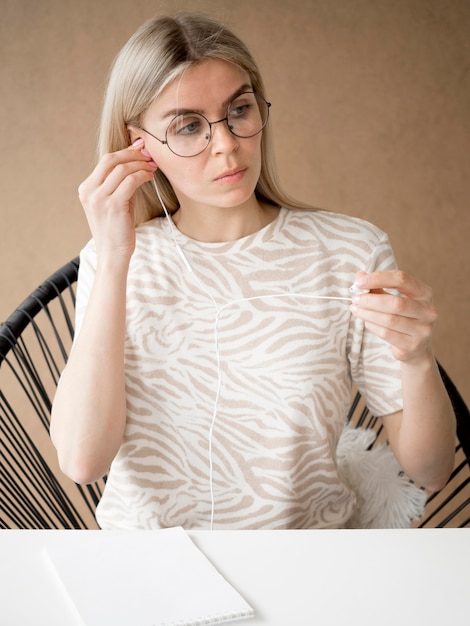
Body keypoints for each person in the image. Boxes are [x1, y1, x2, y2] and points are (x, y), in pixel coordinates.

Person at [50, 12, 456, 530]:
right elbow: (83, 461)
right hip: (153, 574)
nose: (227, 144)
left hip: (306, 569)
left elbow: (433, 470)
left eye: (239, 110)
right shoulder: (116, 261)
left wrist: (419, 359)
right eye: (189, 126)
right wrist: (112, 258)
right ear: (140, 146)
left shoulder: (350, 251)